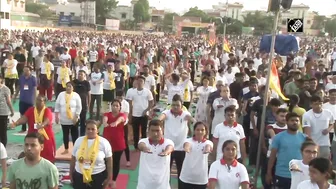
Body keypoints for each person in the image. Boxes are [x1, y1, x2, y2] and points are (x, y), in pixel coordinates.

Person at [158, 94, 196, 188]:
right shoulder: (166, 112)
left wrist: (194, 121)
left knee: (181, 173)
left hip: (181, 149)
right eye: (173, 105)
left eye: (177, 105)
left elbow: (190, 119)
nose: (175, 107)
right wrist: (158, 121)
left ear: (182, 105)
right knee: (166, 172)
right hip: (168, 148)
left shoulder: (185, 114)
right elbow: (161, 117)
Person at [266, 112, 307, 189]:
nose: (295, 122)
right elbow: (272, 156)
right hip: (282, 174)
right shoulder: (278, 137)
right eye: (292, 120)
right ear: (287, 122)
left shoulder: (305, 138)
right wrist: (269, 173)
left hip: (299, 174)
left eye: (297, 121)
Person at [11, 95, 56, 163]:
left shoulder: (47, 110)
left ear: (44, 102)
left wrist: (42, 125)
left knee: (48, 156)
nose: (38, 102)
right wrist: (16, 123)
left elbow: (47, 120)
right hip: (32, 137)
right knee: (31, 153)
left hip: (45, 138)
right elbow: (24, 118)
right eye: (37, 100)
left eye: (40, 101)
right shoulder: (31, 110)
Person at [70, 120, 113, 189]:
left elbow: (109, 160)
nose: (90, 131)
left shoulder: (104, 142)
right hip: (79, 175)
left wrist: (109, 177)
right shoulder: (79, 141)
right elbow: (73, 158)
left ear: (97, 130)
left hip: (98, 176)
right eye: (88, 129)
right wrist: (71, 173)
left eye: (93, 129)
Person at [137, 119, 174, 189]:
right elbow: (141, 145)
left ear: (162, 130)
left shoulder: (168, 142)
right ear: (148, 131)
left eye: (157, 130)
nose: (155, 134)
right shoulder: (143, 141)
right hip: (144, 186)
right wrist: (145, 148)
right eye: (152, 131)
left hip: (163, 187)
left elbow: (170, 147)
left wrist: (166, 152)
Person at [179, 122, 213, 189]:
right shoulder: (188, 140)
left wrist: (207, 149)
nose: (200, 132)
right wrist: (187, 148)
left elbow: (208, 147)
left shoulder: (208, 142)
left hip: (201, 179)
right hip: (186, 178)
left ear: (205, 132)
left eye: (202, 130)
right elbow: (187, 145)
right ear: (194, 131)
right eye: (197, 130)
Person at [102, 100, 127, 189]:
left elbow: (122, 119)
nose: (115, 107)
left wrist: (116, 122)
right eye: (114, 105)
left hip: (118, 144)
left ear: (120, 107)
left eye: (117, 106)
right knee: (105, 162)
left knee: (116, 162)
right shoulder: (107, 114)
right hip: (106, 144)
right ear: (111, 106)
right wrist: (105, 123)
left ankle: (113, 180)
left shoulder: (122, 115)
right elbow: (105, 119)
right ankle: (106, 179)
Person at [126, 76, 154, 150]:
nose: (139, 82)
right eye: (138, 81)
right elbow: (130, 104)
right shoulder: (133, 92)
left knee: (144, 131)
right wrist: (130, 114)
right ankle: (136, 146)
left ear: (144, 83)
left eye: (141, 81)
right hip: (135, 114)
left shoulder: (147, 91)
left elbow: (151, 102)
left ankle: (144, 146)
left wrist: (147, 110)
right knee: (135, 131)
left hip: (144, 115)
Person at [55, 82, 82, 154]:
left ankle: (75, 150)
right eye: (67, 86)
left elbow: (79, 107)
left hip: (74, 119)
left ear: (73, 88)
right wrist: (56, 116)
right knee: (65, 135)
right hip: (64, 119)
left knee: (75, 135)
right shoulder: (61, 95)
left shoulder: (76, 95)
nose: (68, 88)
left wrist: (76, 116)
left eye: (70, 86)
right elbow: (57, 105)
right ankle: (66, 149)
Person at [13, 66, 37, 133]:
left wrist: (35, 100)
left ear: (30, 71)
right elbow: (18, 87)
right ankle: (23, 128)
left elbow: (35, 90)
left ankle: (32, 129)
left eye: (27, 70)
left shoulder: (33, 79)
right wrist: (15, 96)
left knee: (31, 116)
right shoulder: (21, 78)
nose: (25, 72)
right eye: (24, 70)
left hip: (30, 101)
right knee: (22, 114)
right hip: (22, 99)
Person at [116, 91, 131, 167]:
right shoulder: (113, 103)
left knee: (125, 142)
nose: (120, 98)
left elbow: (125, 116)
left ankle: (128, 160)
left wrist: (118, 121)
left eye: (121, 97)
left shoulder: (126, 104)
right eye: (118, 97)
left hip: (123, 125)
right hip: (115, 125)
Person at [0, 75, 14, 146]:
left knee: (3, 133)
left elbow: (8, 101)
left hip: (3, 113)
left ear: (1, 79)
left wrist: (12, 111)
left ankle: (3, 151)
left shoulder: (6, 89)